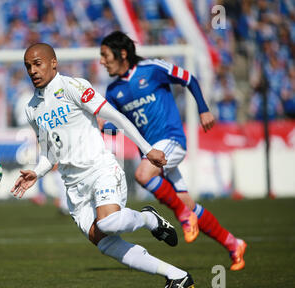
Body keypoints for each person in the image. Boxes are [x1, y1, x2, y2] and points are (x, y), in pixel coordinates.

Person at [11, 43, 195, 288]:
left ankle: (148, 218)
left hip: (100, 169)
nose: (32, 70)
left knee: (109, 222)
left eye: (37, 63)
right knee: (106, 244)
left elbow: (117, 118)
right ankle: (177, 275)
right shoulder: (32, 108)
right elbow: (48, 151)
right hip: (74, 188)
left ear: (54, 62)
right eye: (28, 66)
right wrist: (37, 171)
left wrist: (147, 149)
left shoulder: (74, 87)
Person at [99, 31, 247, 271]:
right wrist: (101, 129)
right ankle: (233, 243)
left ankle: (182, 215)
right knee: (187, 203)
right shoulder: (114, 91)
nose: (102, 61)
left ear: (122, 53)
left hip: (171, 141)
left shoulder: (152, 69)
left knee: (142, 176)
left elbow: (188, 78)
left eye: (105, 55)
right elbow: (119, 129)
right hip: (152, 153)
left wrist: (203, 109)